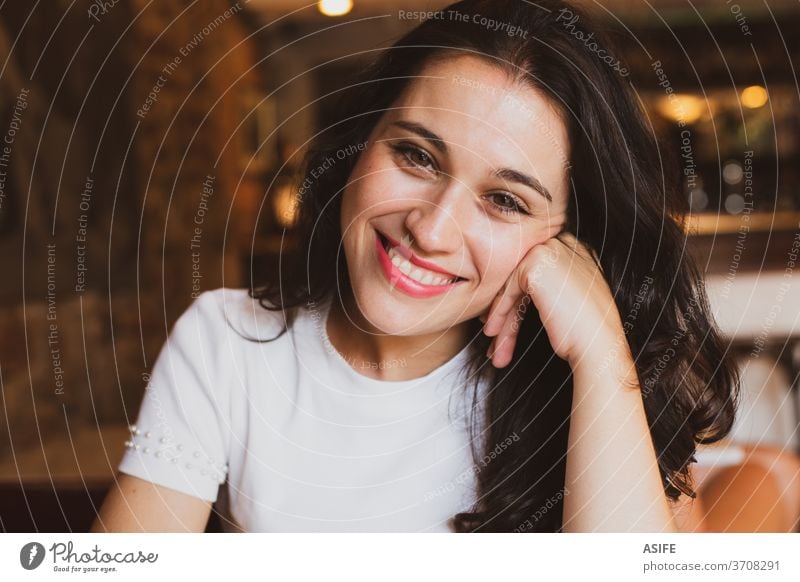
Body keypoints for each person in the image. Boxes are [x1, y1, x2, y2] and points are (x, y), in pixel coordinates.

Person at [92, 0, 738, 533]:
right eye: (417, 157)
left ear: (566, 241)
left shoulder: (603, 381)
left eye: (505, 200)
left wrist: (600, 354)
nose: (430, 230)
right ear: (361, 144)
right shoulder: (227, 343)